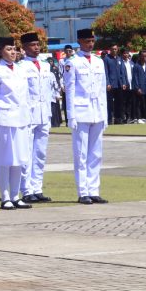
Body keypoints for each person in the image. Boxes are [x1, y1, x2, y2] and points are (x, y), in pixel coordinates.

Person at [63, 29, 108, 205]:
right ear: (80, 42)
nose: (91, 43)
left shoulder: (98, 61)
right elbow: (70, 89)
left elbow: (102, 89)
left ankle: (94, 190)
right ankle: (83, 191)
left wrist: (105, 115)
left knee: (96, 153)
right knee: (81, 154)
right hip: (81, 112)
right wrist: (71, 116)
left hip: (97, 112)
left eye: (92, 40)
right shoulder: (72, 62)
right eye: (87, 40)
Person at [0, 37, 32, 210]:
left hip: (20, 119)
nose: (12, 52)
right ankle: (5, 196)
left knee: (19, 160)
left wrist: (28, 119)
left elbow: (26, 97)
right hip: (4, 119)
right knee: (5, 159)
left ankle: (16, 195)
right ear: (0, 51)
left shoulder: (21, 70)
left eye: (14, 49)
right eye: (8, 49)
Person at [19, 33, 55, 203]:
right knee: (26, 154)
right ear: (24, 47)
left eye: (37, 44)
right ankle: (26, 190)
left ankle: (37, 188)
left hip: (44, 113)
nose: (36, 47)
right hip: (29, 114)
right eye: (32, 45)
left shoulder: (45, 65)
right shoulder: (21, 67)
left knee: (40, 153)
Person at [132, 50, 146, 124]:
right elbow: (135, 78)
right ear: (140, 56)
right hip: (140, 88)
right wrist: (137, 88)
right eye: (143, 56)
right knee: (138, 103)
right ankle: (139, 118)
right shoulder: (136, 66)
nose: (144, 57)